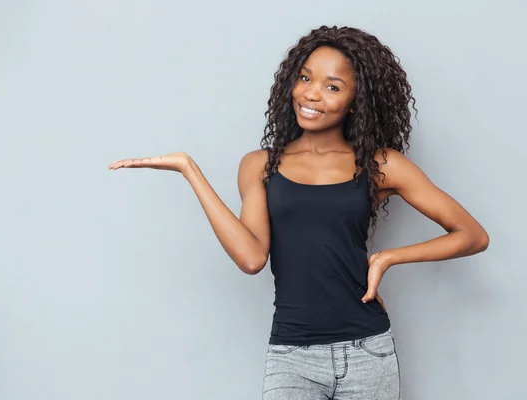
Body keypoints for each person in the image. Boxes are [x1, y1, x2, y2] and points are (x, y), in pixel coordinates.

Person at [108, 25, 489, 400]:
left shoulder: (382, 164)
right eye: (306, 78)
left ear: (356, 101)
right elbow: (252, 257)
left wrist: (388, 257)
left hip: (367, 351)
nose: (312, 94)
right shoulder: (261, 165)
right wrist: (190, 170)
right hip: (292, 354)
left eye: (332, 86)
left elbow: (472, 235)